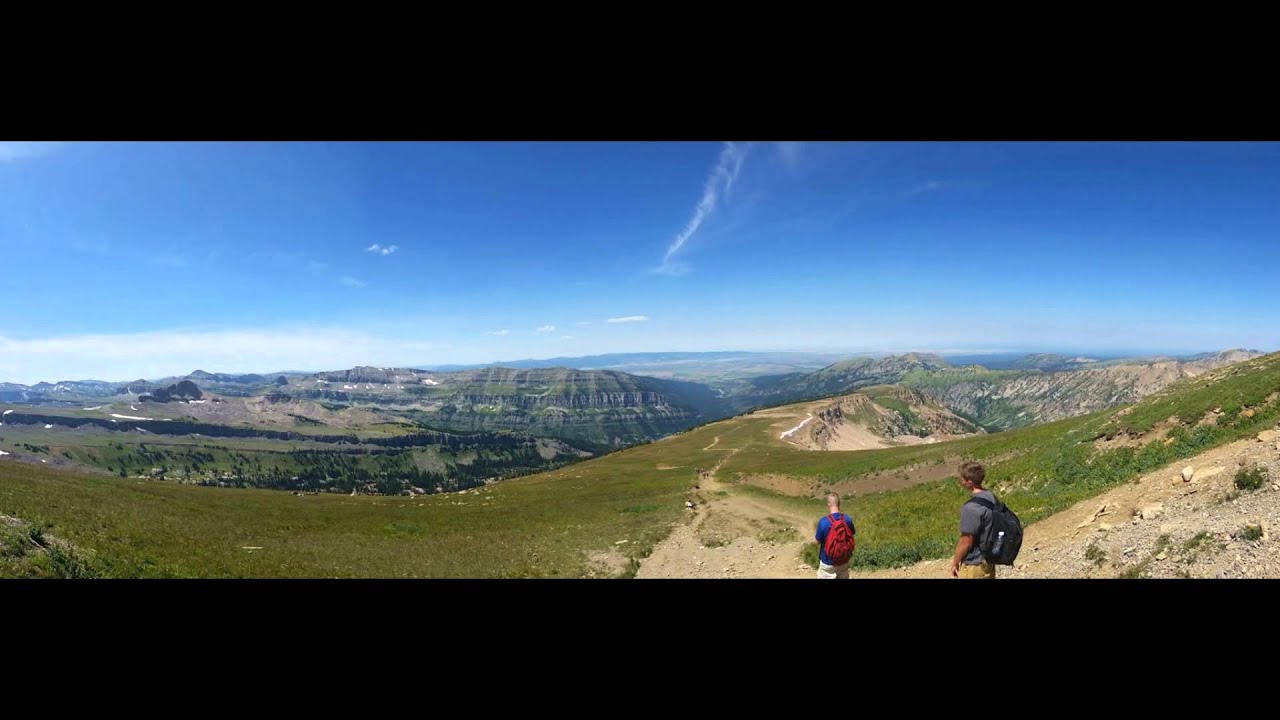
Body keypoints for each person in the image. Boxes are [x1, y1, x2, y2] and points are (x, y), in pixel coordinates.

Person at [950, 461, 996, 579]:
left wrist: (955, 562)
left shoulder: (970, 508)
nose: (960, 481)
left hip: (974, 564)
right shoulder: (990, 496)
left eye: (962, 479)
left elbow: (966, 542)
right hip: (989, 559)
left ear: (970, 483)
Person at [815, 492, 856, 579]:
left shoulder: (823, 522)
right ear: (839, 503)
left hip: (828, 563)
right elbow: (851, 534)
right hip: (844, 561)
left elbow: (818, 541)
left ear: (828, 504)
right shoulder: (847, 519)